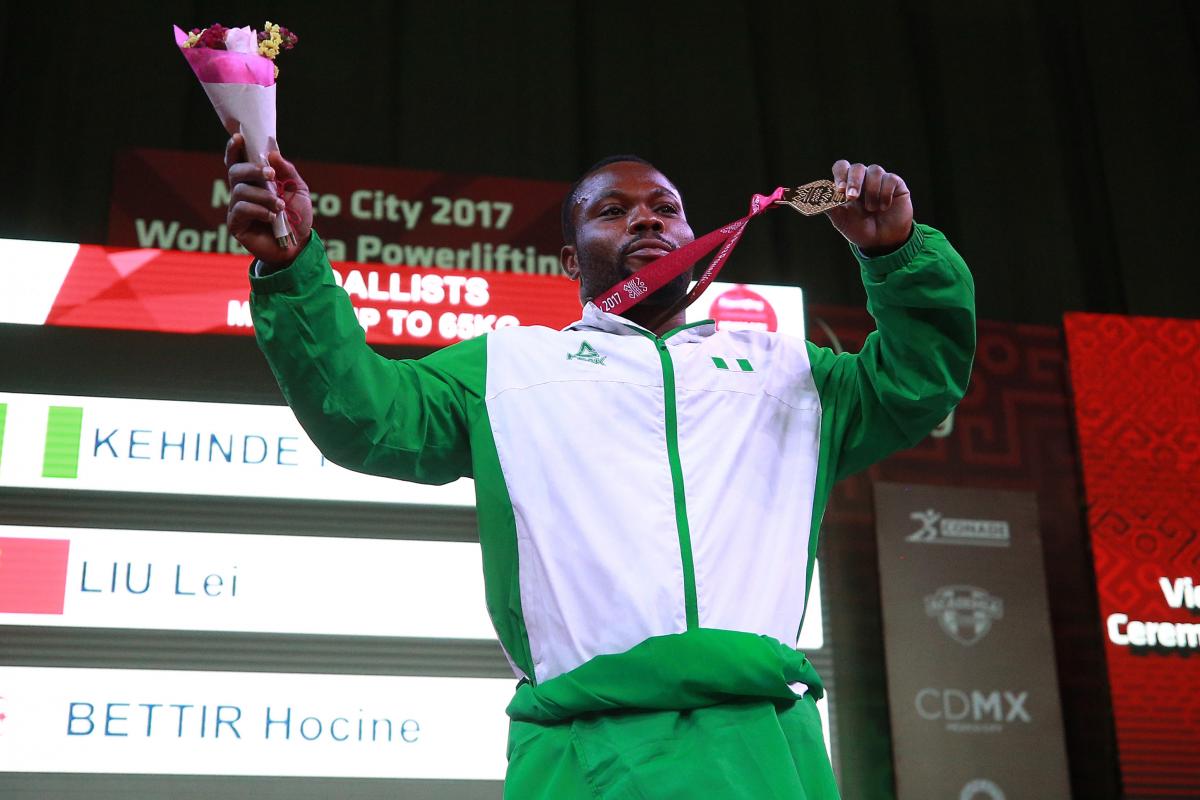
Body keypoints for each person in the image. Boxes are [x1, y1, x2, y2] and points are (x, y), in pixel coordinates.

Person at [225, 134, 975, 799]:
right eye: (612, 211)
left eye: (666, 207)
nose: (647, 218)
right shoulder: (510, 369)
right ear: (568, 257)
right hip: (583, 750)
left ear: (695, 233)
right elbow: (364, 416)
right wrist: (293, 269)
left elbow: (918, 380)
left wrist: (896, 253)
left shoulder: (784, 372)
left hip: (761, 747)